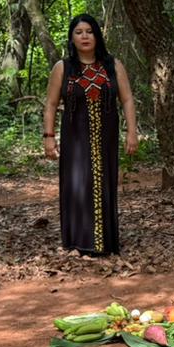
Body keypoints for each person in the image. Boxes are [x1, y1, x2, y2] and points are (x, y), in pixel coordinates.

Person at [43, 14, 138, 255]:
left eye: (89, 31)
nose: (84, 36)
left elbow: (127, 99)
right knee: (77, 183)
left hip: (106, 137)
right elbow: (51, 104)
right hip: (75, 138)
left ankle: (104, 242)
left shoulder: (113, 66)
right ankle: (78, 241)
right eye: (79, 32)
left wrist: (132, 132)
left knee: (104, 182)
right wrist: (49, 136)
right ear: (72, 38)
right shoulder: (63, 68)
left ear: (97, 35)